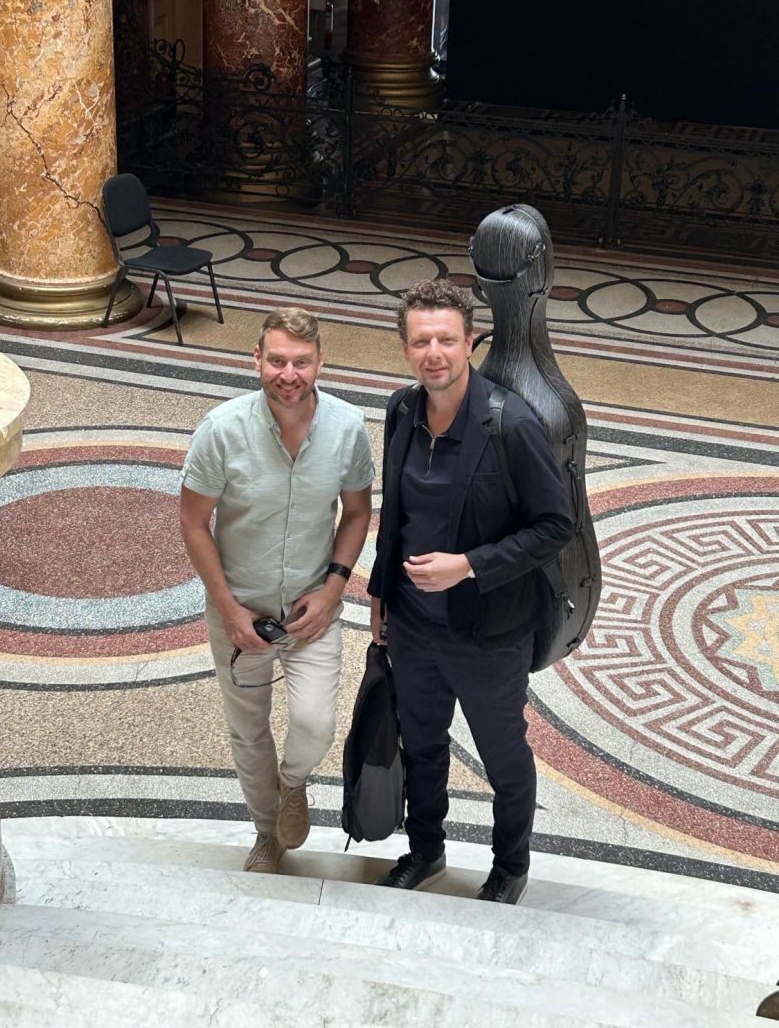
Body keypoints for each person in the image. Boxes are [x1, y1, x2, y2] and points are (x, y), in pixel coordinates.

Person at [368, 278, 573, 903]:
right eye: (421, 341)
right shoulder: (402, 411)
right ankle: (425, 850)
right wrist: (380, 594)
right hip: (414, 625)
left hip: (490, 632)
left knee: (503, 757)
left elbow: (554, 526)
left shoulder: (511, 424)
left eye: (446, 340)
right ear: (405, 348)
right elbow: (396, 514)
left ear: (469, 343)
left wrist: (469, 566)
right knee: (422, 746)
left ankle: (510, 865)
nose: (434, 353)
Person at [181, 307, 373, 874]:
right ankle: (267, 833)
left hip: (313, 608)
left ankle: (292, 784)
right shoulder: (221, 430)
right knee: (248, 731)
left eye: (302, 362)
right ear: (257, 359)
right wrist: (229, 609)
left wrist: (334, 588)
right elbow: (193, 522)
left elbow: (357, 512)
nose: (289, 374)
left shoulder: (347, 428)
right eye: (278, 361)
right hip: (239, 610)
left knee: (314, 723)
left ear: (320, 363)